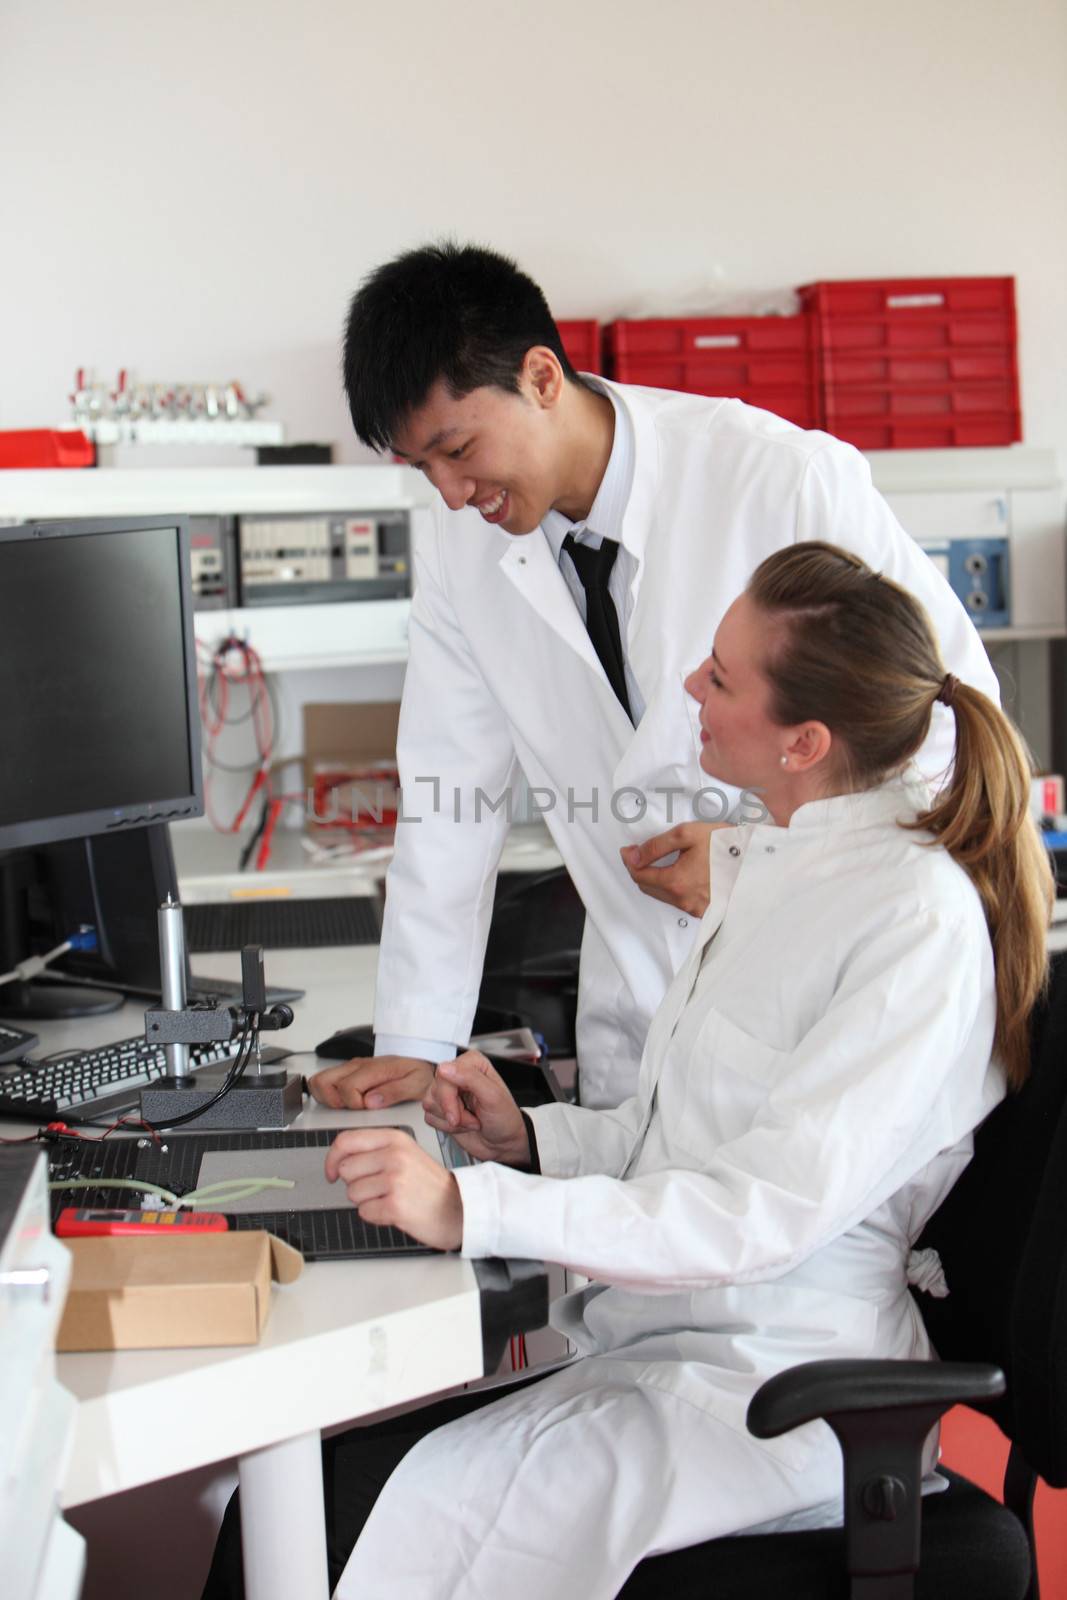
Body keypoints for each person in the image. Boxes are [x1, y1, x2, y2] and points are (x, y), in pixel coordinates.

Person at [203, 542, 1052, 1600]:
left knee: (314, 1524)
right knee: (298, 1504)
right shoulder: (767, 861)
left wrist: (471, 1206)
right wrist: (529, 1137)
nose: (689, 685)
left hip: (779, 1390)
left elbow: (750, 1216)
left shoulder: (908, 921)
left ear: (804, 741)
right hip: (670, 1345)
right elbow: (686, 1136)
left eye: (721, 676)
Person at [310, 242, 999, 1115]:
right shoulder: (461, 550)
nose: (450, 493)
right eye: (421, 468)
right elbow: (450, 796)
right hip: (643, 1019)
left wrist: (768, 865)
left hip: (829, 1001)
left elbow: (950, 724)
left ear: (541, 377)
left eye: (457, 448)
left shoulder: (775, 477)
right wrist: (414, 1043)